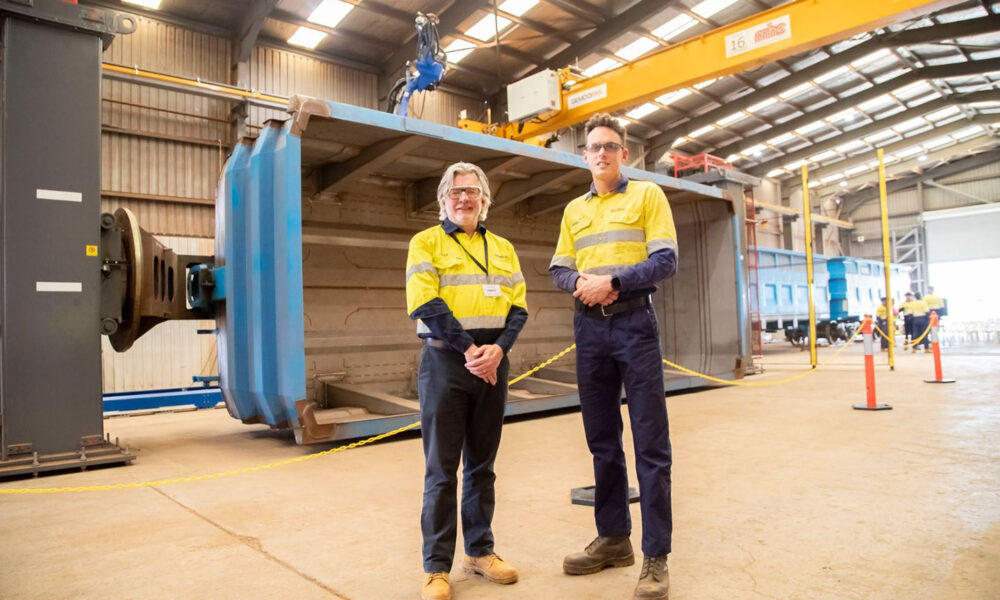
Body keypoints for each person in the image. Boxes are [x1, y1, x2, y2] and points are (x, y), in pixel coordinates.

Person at [550, 113, 677, 600]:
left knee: (650, 444)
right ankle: (613, 539)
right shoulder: (573, 211)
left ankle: (655, 556)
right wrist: (580, 283)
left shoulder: (648, 196)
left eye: (610, 146)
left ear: (624, 154)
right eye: (593, 147)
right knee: (602, 440)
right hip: (589, 329)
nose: (601, 153)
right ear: (583, 156)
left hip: (634, 325)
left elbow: (666, 260)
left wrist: (615, 282)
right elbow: (559, 267)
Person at [405, 162, 528, 600]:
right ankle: (436, 567)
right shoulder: (425, 243)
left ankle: (479, 552)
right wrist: (470, 350)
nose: (463, 197)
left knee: (482, 466)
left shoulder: (504, 248)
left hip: (493, 364)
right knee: (441, 470)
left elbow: (518, 307)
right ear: (443, 199)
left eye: (472, 191)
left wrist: (499, 349)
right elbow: (426, 302)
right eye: (455, 191)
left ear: (484, 199)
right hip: (446, 363)